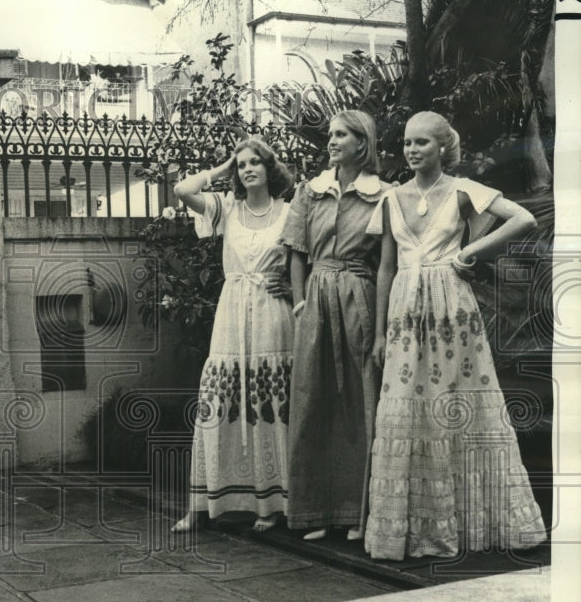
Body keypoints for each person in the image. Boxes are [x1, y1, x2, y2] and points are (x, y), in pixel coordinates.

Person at [363, 111, 547, 560]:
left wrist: (470, 251)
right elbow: (386, 267)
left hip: (452, 311)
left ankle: (468, 522)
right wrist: (380, 333)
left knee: (456, 403)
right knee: (408, 409)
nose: (411, 150)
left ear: (442, 147)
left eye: (421, 142)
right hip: (406, 311)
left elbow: (523, 219)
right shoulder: (391, 199)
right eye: (407, 142)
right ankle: (414, 530)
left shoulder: (464, 191)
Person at [171, 138, 295, 533]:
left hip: (272, 314)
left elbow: (302, 264)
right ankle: (204, 504)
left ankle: (270, 504)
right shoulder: (227, 208)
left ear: (270, 167)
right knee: (221, 397)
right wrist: (222, 167)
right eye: (242, 165)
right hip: (232, 311)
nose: (248, 169)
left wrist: (294, 291)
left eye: (255, 162)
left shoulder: (291, 213)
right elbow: (182, 190)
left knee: (269, 402)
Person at [279, 110, 392, 541]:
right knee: (313, 400)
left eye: (341, 134)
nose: (331, 141)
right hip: (317, 298)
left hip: (358, 297)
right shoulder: (311, 191)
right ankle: (317, 512)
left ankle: (358, 515)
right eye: (330, 134)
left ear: (362, 143)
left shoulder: (384, 193)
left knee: (359, 404)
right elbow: (296, 252)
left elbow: (387, 262)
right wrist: (299, 302)